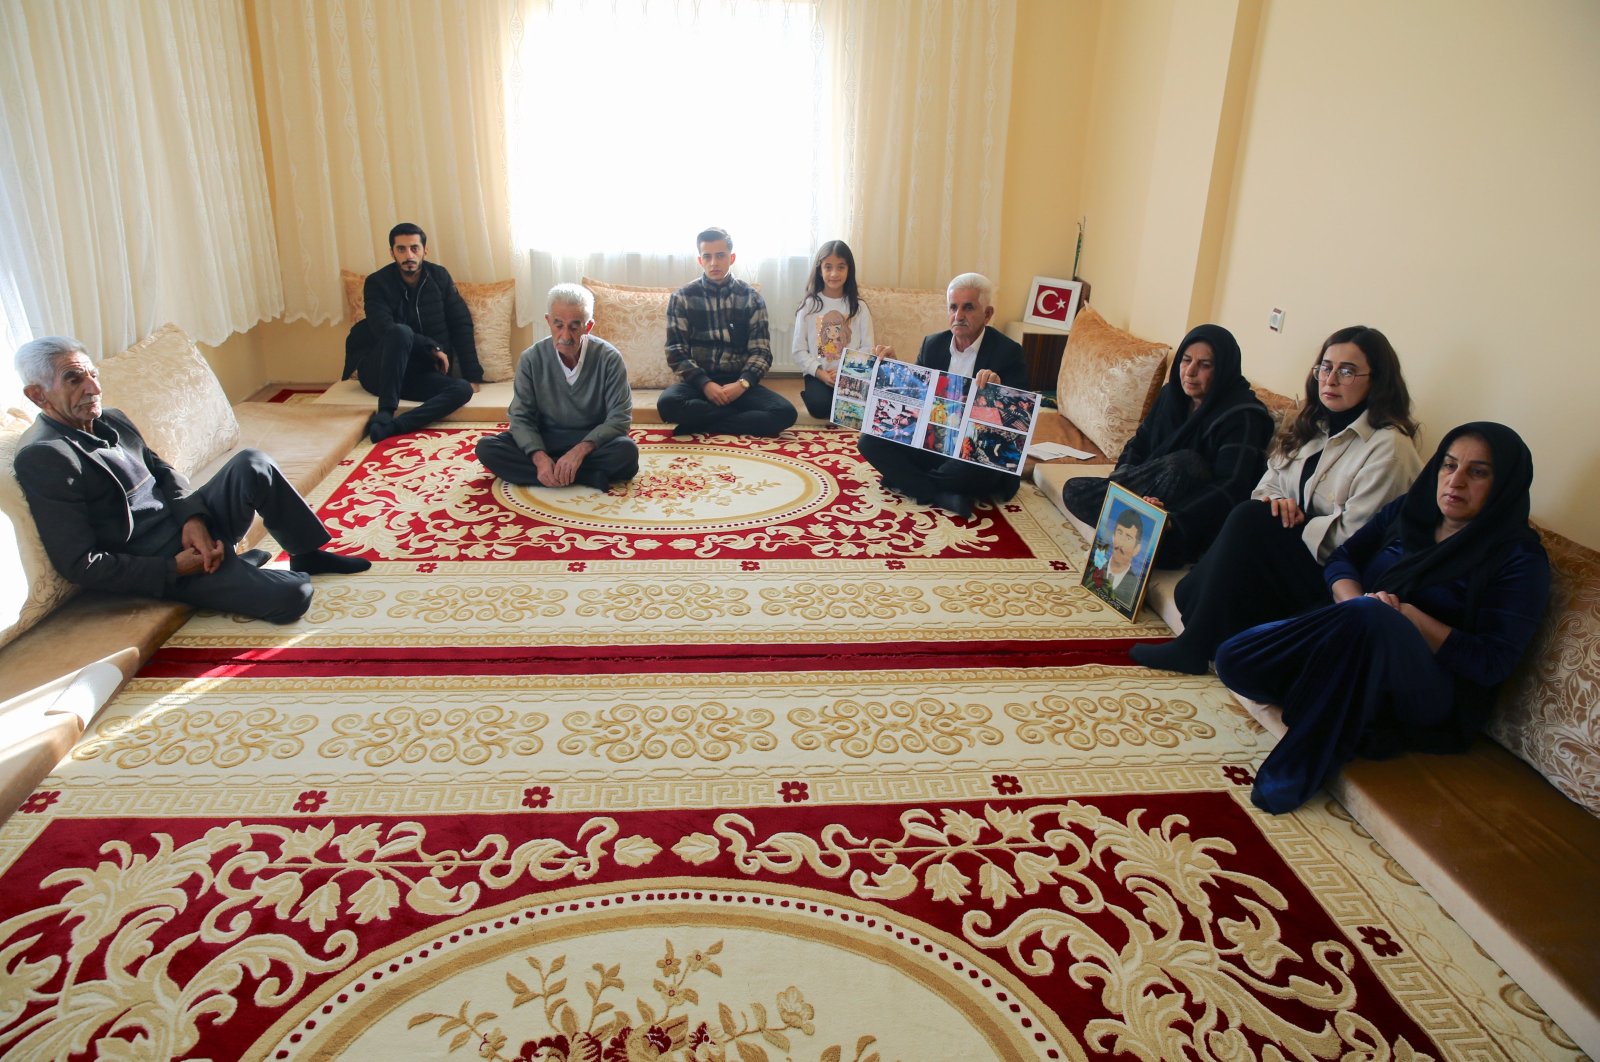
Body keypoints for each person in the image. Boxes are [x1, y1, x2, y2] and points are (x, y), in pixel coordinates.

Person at [1215, 423, 1550, 814]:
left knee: (1372, 619)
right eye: (1449, 464)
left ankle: (1296, 766)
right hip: (1354, 638)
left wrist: (1405, 616)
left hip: (1429, 692)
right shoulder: (1410, 510)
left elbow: (1492, 663)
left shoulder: (1519, 558)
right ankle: (1336, 692)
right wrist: (1356, 603)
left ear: (1504, 483)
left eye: (1477, 472)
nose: (1455, 481)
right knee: (1234, 660)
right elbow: (1343, 559)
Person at [13, 337, 368, 624]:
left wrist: (193, 519)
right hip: (161, 561)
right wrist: (173, 567)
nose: (93, 387)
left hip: (185, 528)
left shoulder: (112, 418)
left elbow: (164, 472)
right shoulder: (46, 455)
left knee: (252, 462)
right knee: (293, 597)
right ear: (37, 395)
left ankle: (306, 555)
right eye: (74, 379)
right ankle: (233, 569)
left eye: (93, 374)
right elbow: (78, 563)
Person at [1130, 325, 1422, 673]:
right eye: (1325, 368)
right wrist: (1278, 504)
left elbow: (1355, 540)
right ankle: (1216, 630)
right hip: (1287, 554)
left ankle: (1192, 649)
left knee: (1249, 519)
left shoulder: (1389, 447)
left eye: (1347, 371)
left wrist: (1295, 518)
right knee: (1190, 594)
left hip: (1332, 576)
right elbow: (1267, 485)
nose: (1330, 380)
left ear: (1377, 380)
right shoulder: (1314, 425)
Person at [1062, 324, 1274, 568]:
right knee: (1073, 491)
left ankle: (1141, 528)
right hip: (1146, 494)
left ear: (1223, 369)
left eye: (1205, 365)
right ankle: (1135, 521)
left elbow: (1231, 486)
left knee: (1184, 464)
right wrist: (1126, 477)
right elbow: (1139, 442)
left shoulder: (1242, 415)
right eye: (1186, 360)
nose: (1190, 372)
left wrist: (1172, 518)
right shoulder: (1171, 396)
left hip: (1189, 518)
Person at [857, 272, 1026, 519]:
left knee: (978, 470)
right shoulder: (933, 344)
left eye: (968, 308)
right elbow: (915, 400)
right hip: (933, 442)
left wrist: (999, 389)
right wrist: (894, 370)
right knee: (869, 441)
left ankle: (911, 481)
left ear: (987, 314)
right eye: (953, 307)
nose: (958, 316)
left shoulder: (1009, 353)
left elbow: (1017, 423)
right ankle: (938, 493)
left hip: (974, 449)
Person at [475, 284, 638, 490]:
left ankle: (556, 473)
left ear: (588, 326)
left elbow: (620, 419)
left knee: (626, 453)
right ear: (548, 321)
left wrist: (579, 451)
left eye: (574, 326)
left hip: (589, 439)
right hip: (545, 437)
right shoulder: (531, 358)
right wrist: (539, 457)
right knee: (487, 449)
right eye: (558, 325)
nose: (565, 336)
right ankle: (588, 476)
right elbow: (520, 417)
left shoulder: (609, 358)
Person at [343, 222, 483, 443]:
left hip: (420, 373)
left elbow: (461, 324)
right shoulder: (377, 283)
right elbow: (383, 328)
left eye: (414, 248)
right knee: (400, 332)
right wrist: (431, 347)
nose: (409, 255)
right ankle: (386, 412)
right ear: (392, 252)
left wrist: (473, 376)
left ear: (424, 250)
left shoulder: (439, 277)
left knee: (462, 390)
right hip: (381, 372)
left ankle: (396, 426)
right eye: (401, 249)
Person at [657, 227, 797, 437]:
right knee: (668, 404)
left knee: (785, 413)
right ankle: (734, 416)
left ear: (731, 258)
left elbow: (761, 352)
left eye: (720, 256)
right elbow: (676, 351)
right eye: (707, 256)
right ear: (700, 260)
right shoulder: (682, 297)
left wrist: (742, 384)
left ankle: (707, 423)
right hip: (699, 382)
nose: (714, 263)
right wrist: (705, 385)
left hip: (738, 382)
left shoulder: (751, 297)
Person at [791, 240, 875, 419]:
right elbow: (798, 350)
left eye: (841, 267)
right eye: (828, 267)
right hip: (819, 374)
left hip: (851, 374)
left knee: (858, 411)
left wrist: (846, 371)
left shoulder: (859, 307)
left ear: (849, 269)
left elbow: (868, 348)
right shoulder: (809, 306)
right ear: (819, 270)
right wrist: (821, 374)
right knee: (821, 408)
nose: (834, 273)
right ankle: (812, 394)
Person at [1086, 507, 1149, 613]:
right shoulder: (1094, 567)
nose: (1121, 543)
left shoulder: (1134, 587)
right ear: (1113, 536)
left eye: (1128, 537)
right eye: (1119, 533)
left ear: (1137, 549)